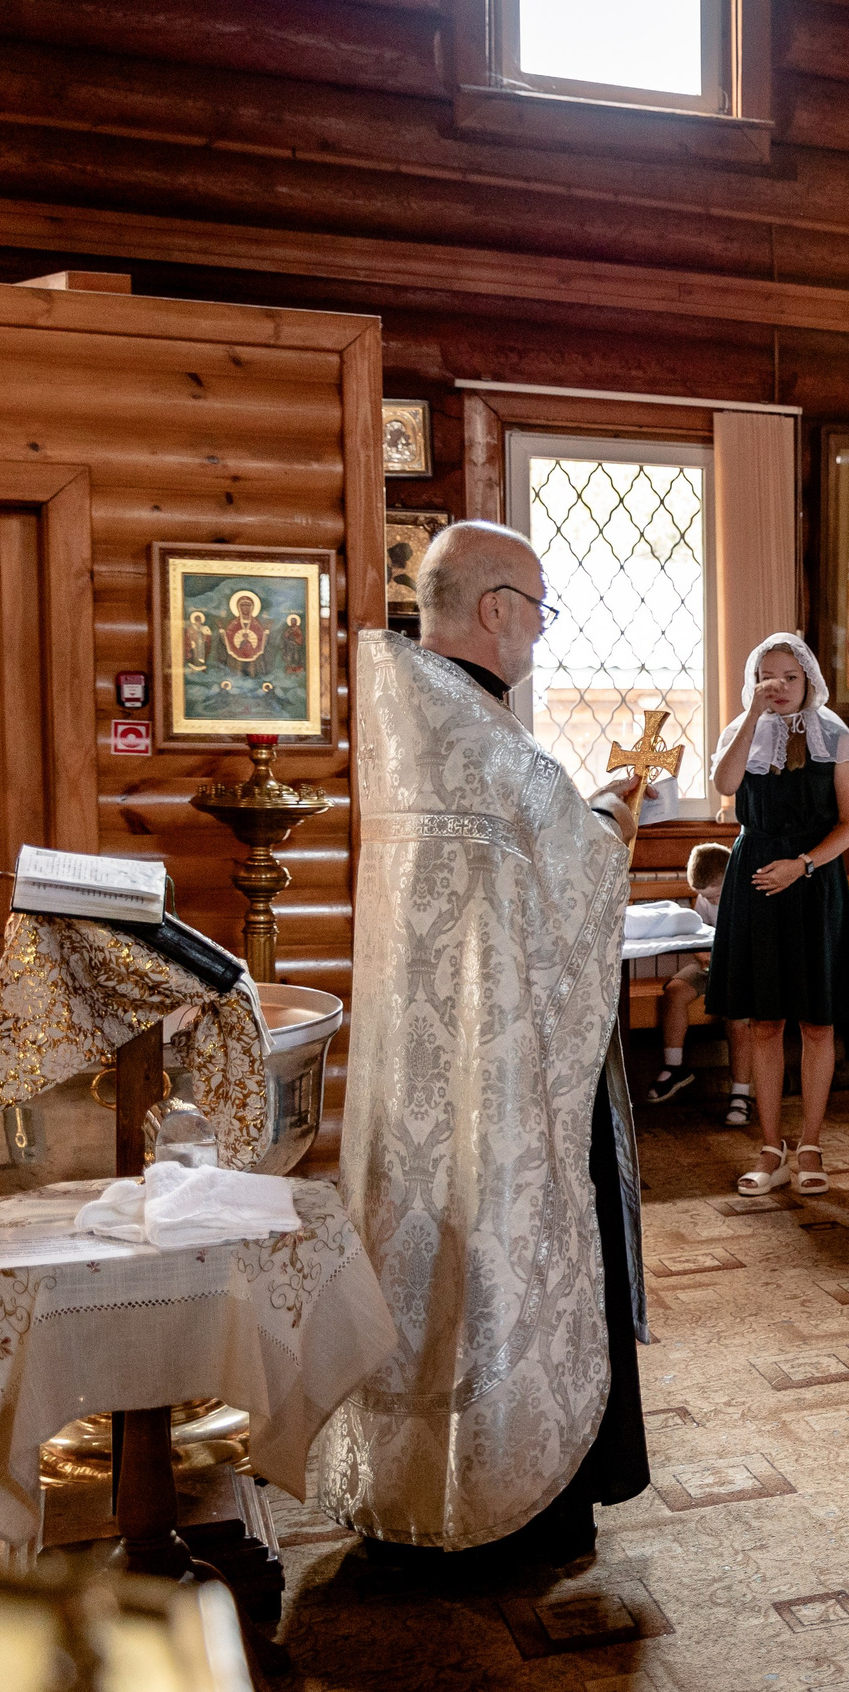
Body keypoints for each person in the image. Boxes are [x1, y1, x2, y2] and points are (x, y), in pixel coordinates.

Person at [319, 520, 649, 1565]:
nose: (541, 631)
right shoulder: (494, 743)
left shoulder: (415, 716)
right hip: (504, 1074)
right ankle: (511, 1500)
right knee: (503, 1249)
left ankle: (412, 1486)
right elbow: (579, 873)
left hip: (422, 1071)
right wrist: (614, 820)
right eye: (539, 609)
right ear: (496, 607)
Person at [709, 633, 849, 1197]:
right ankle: (770, 1146)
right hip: (755, 879)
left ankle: (811, 1144)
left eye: (788, 677)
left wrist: (800, 865)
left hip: (814, 880)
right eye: (766, 677)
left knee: (817, 1022)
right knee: (765, 1020)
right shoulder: (742, 730)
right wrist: (752, 715)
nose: (776, 686)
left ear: (808, 681)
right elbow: (725, 785)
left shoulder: (834, 734)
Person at [644, 841, 730, 1104]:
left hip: (739, 968)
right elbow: (699, 936)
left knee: (737, 1012)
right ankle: (674, 1067)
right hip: (712, 964)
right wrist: (705, 959)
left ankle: (740, 1090)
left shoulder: (748, 893)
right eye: (705, 897)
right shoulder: (705, 897)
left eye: (715, 896)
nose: (711, 901)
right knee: (675, 991)